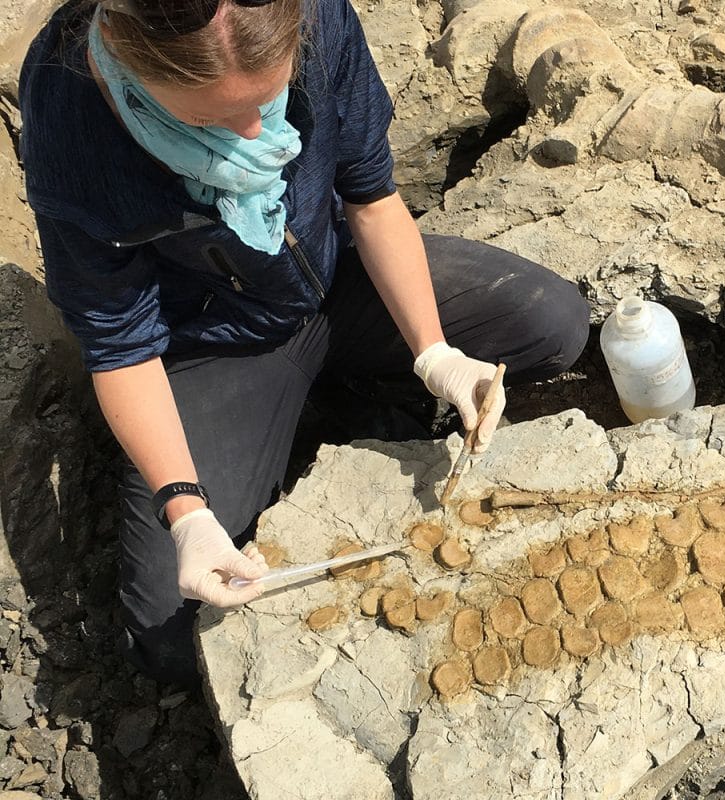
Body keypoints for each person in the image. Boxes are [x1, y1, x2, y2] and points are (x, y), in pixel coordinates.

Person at [19, 0, 590, 685]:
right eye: (207, 120)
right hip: (220, 344)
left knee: (553, 323)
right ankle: (296, 417)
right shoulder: (72, 122)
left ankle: (367, 386)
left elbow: (372, 198)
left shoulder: (314, 17)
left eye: (270, 96)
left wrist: (435, 353)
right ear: (124, 58)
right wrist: (186, 510)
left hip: (337, 277)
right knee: (170, 630)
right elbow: (119, 346)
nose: (254, 133)